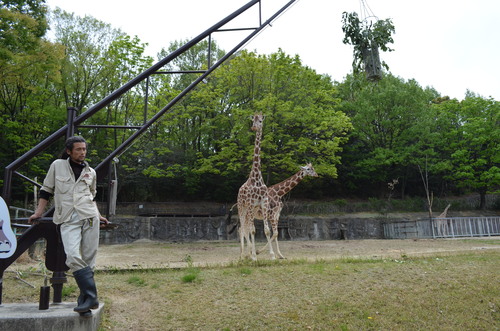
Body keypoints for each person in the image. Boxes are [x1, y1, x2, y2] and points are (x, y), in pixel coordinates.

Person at [29, 136, 108, 316]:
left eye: (84, 149)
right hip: (67, 217)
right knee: (72, 256)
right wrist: (39, 213)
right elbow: (46, 190)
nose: (82, 152)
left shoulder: (91, 172)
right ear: (69, 151)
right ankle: (91, 297)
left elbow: (91, 195)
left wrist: (99, 215)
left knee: (89, 260)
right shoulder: (57, 166)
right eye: (78, 149)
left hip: (89, 217)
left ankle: (85, 303)